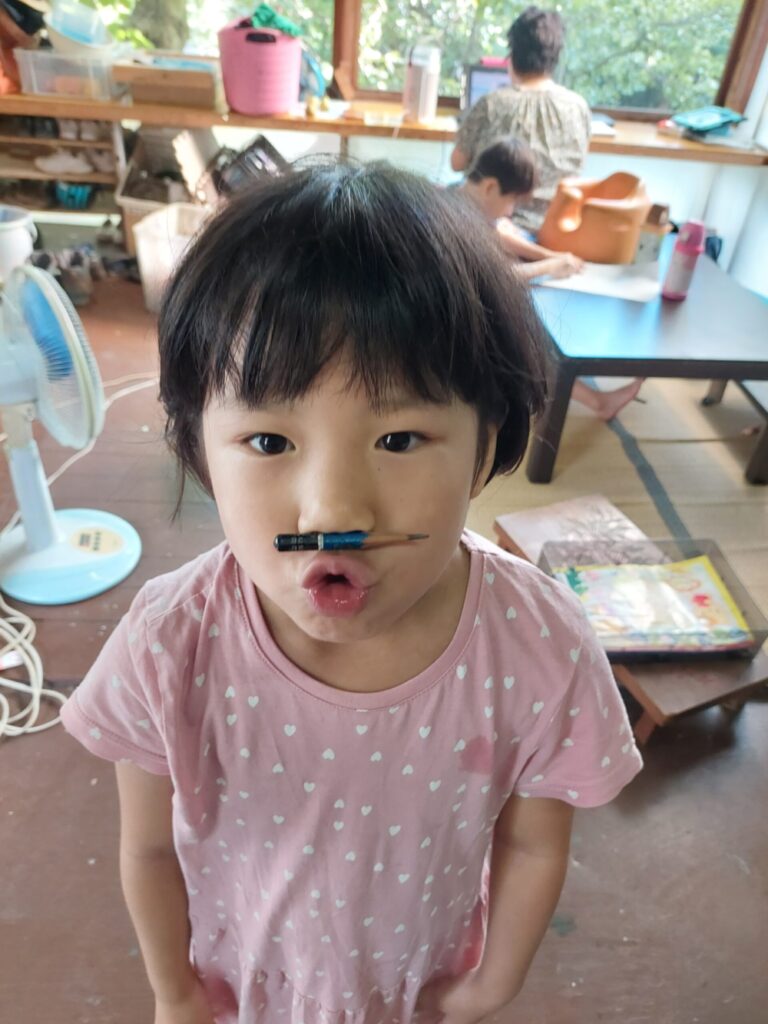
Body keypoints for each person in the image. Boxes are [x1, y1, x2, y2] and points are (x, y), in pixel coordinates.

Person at [59, 161, 643, 1024]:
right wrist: (172, 991)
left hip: (419, 993)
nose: (334, 510)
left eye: (399, 438)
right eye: (268, 441)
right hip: (241, 994)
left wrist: (493, 985)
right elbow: (147, 848)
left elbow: (532, 842)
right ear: (200, 450)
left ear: (484, 449)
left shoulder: (539, 645)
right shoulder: (168, 640)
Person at [459, 138, 645, 420]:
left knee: (527, 326)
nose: (510, 211)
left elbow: (498, 234)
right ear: (490, 187)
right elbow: (496, 279)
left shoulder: (461, 200)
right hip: (445, 326)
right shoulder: (459, 221)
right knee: (518, 340)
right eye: (511, 201)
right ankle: (597, 402)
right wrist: (548, 266)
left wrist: (553, 255)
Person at [452, 6, 591, 238]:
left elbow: (457, 162)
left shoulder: (493, 103)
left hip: (494, 230)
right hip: (556, 231)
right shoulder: (578, 107)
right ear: (554, 59)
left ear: (512, 56)